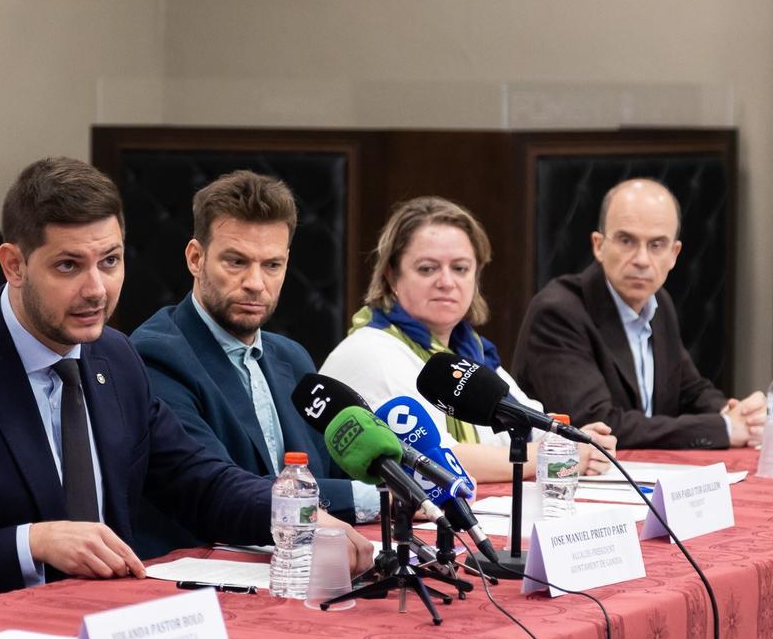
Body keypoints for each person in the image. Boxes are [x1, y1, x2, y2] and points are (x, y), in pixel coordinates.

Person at [0, 157, 373, 607]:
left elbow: (200, 481)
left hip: (117, 624)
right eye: (68, 266)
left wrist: (299, 516)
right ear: (14, 265)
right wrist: (28, 543)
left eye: (110, 261)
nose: (96, 289)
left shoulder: (115, 357)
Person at [130, 170, 380, 556]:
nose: (255, 282)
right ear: (195, 258)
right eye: (236, 262)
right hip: (202, 578)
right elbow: (226, 488)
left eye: (272, 265)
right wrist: (374, 497)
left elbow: (330, 472)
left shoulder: (291, 357)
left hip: (299, 566)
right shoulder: (156, 355)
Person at [319, 196, 616, 482]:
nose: (446, 282)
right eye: (427, 268)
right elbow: (434, 459)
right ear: (391, 277)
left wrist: (578, 440)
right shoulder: (371, 351)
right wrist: (553, 456)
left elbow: (529, 424)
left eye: (460, 268)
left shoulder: (468, 349)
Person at [513, 178, 766, 449]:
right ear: (599, 245)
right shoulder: (558, 312)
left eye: (656, 245)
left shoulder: (658, 303)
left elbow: (691, 390)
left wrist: (734, 414)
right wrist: (725, 428)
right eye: (626, 241)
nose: (642, 260)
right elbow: (599, 424)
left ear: (674, 254)